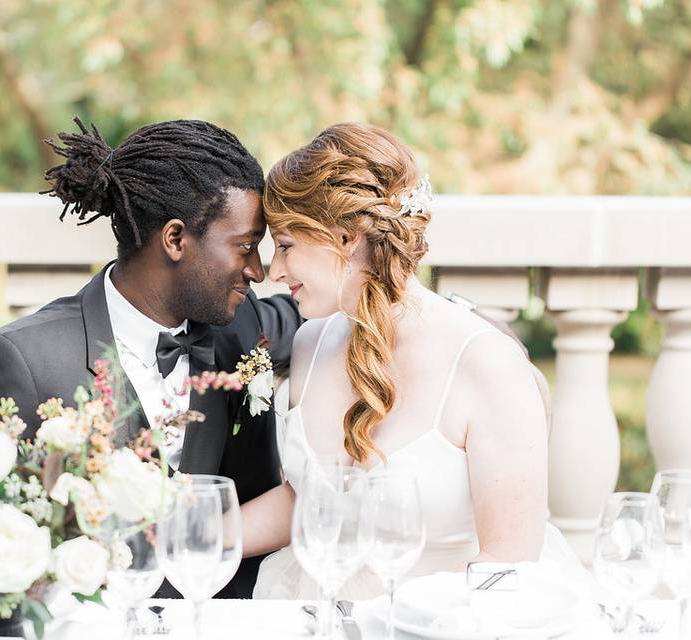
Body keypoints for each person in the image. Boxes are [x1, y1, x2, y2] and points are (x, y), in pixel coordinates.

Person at [0, 119, 302, 599]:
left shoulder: (242, 325)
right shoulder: (20, 362)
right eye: (244, 246)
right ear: (175, 240)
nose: (259, 270)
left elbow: (324, 305)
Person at [244, 123, 575, 599]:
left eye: (287, 246)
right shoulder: (311, 342)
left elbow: (509, 565)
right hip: (312, 611)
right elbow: (311, 501)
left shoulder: (487, 364)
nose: (273, 270)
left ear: (346, 237)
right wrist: (199, 534)